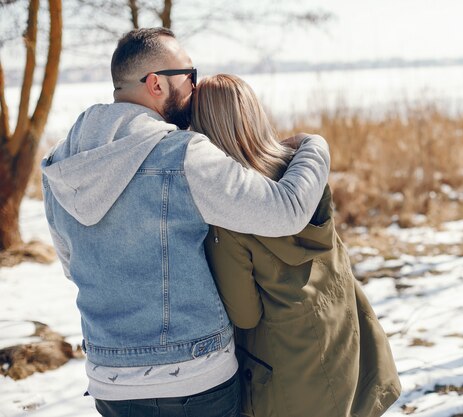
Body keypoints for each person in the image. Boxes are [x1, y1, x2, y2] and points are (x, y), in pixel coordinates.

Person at [41, 28, 330, 417]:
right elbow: (287, 209)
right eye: (189, 75)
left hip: (110, 382)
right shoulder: (184, 155)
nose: (195, 85)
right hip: (194, 379)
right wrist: (314, 146)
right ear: (156, 83)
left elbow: (71, 266)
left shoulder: (61, 164)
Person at [192, 74, 401, 417]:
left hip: (288, 371)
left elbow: (244, 316)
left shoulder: (227, 210)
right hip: (341, 341)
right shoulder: (302, 175)